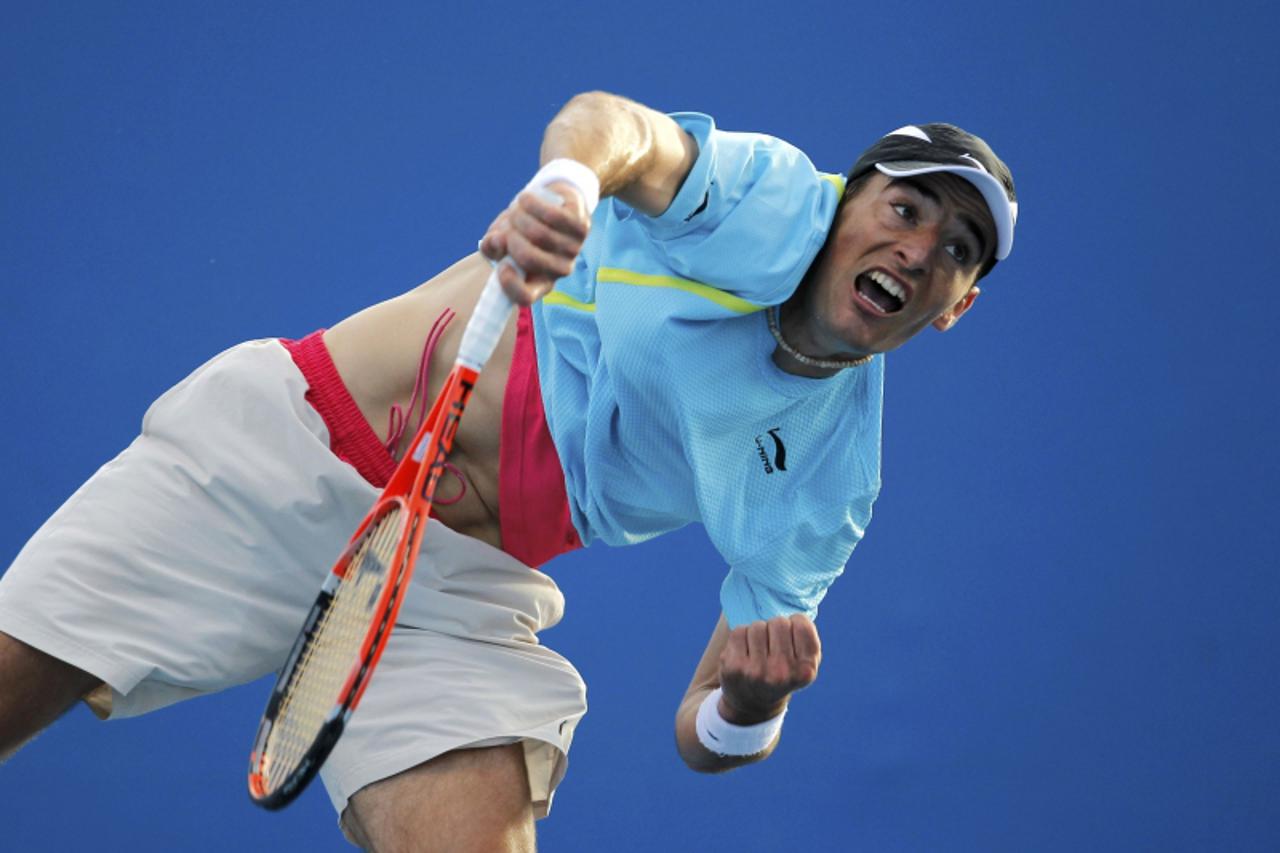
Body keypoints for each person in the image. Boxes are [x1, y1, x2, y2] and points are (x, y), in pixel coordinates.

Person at [0, 90, 1016, 851]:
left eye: (957, 248)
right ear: (847, 204)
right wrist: (570, 181)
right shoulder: (768, 201)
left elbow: (703, 733)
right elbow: (612, 123)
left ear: (956, 304)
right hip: (279, 454)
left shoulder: (829, 480)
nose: (920, 248)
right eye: (905, 209)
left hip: (448, 596)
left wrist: (750, 708)